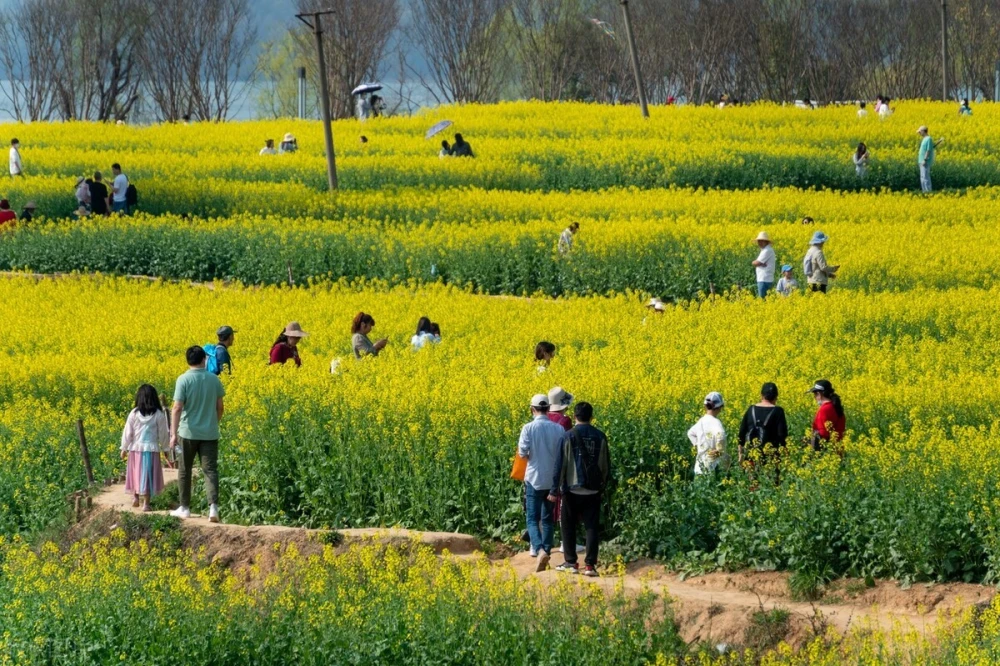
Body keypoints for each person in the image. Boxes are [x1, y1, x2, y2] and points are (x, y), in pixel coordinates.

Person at [550, 401, 611, 577]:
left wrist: (554, 490)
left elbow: (559, 465)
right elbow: (606, 465)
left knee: (568, 526)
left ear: (575, 416)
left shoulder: (567, 436)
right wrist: (602, 486)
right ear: (592, 417)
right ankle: (590, 566)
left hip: (572, 489)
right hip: (593, 490)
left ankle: (571, 562)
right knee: (591, 527)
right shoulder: (600, 436)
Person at [169, 346, 226, 523]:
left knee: (184, 470)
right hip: (209, 433)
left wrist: (173, 434)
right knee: (210, 470)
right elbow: (220, 407)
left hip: (187, 432)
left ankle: (184, 508)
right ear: (203, 360)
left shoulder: (183, 380)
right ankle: (213, 508)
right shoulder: (214, 379)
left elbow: (177, 407)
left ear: (188, 361)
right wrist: (212, 423)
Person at [517, 393, 566, 571]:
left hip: (534, 478)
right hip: (553, 480)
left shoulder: (528, 428)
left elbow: (522, 453)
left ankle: (539, 550)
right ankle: (546, 550)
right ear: (548, 409)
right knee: (547, 519)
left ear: (532, 409)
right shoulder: (559, 429)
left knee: (532, 518)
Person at [120, 384, 169, 512]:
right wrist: (166, 449)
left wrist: (123, 448)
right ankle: (146, 504)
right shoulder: (159, 414)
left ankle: (135, 497)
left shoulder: (134, 413)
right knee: (147, 475)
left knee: (135, 472)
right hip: (151, 449)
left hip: (135, 449)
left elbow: (128, 432)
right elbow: (163, 434)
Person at [737, 383, 788, 478]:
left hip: (752, 457)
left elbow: (741, 434)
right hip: (772, 459)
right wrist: (786, 456)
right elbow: (782, 436)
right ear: (776, 397)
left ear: (761, 395)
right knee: (770, 487)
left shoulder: (751, 409)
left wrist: (741, 455)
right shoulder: (778, 411)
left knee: (753, 487)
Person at [688, 392, 728, 475]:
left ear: (705, 406)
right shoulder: (716, 422)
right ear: (719, 407)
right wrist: (719, 450)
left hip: (699, 468)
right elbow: (721, 435)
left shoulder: (701, 421)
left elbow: (690, 433)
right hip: (713, 468)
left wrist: (698, 445)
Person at [807, 379, 846, 452]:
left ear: (819, 394)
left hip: (827, 451)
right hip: (838, 449)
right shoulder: (836, 406)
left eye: (815, 394)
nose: (814, 397)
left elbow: (823, 433)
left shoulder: (824, 409)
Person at [917, 126, 943, 193]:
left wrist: (925, 160)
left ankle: (928, 192)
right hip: (921, 161)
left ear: (923, 131)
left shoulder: (928, 139)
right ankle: (924, 192)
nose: (919, 133)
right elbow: (932, 147)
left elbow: (928, 150)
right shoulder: (924, 139)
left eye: (920, 132)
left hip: (924, 161)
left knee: (925, 177)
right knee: (922, 177)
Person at [752, 231, 776, 298]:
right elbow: (759, 263)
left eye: (761, 241)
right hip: (764, 278)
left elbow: (757, 263)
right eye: (758, 241)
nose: (759, 243)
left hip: (764, 279)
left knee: (763, 300)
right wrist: (759, 263)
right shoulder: (765, 250)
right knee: (765, 300)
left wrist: (754, 262)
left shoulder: (767, 250)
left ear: (766, 242)